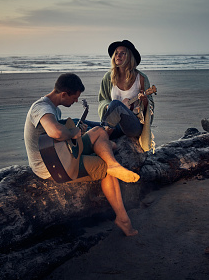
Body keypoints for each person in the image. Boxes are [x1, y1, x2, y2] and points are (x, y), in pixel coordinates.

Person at [24, 73, 139, 236]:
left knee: (99, 131)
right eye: (75, 97)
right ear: (64, 94)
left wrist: (75, 133)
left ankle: (113, 163)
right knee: (105, 167)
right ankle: (122, 218)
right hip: (52, 166)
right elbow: (56, 132)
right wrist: (72, 133)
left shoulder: (53, 109)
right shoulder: (42, 107)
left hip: (61, 153)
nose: (76, 101)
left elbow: (59, 137)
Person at [98, 40, 155, 152]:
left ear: (129, 57)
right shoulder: (108, 77)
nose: (118, 55)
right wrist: (107, 107)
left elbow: (150, 106)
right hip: (114, 125)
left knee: (116, 105)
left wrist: (144, 102)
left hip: (133, 126)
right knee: (82, 123)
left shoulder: (141, 78)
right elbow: (102, 100)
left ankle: (103, 136)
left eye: (122, 53)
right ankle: (102, 132)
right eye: (116, 53)